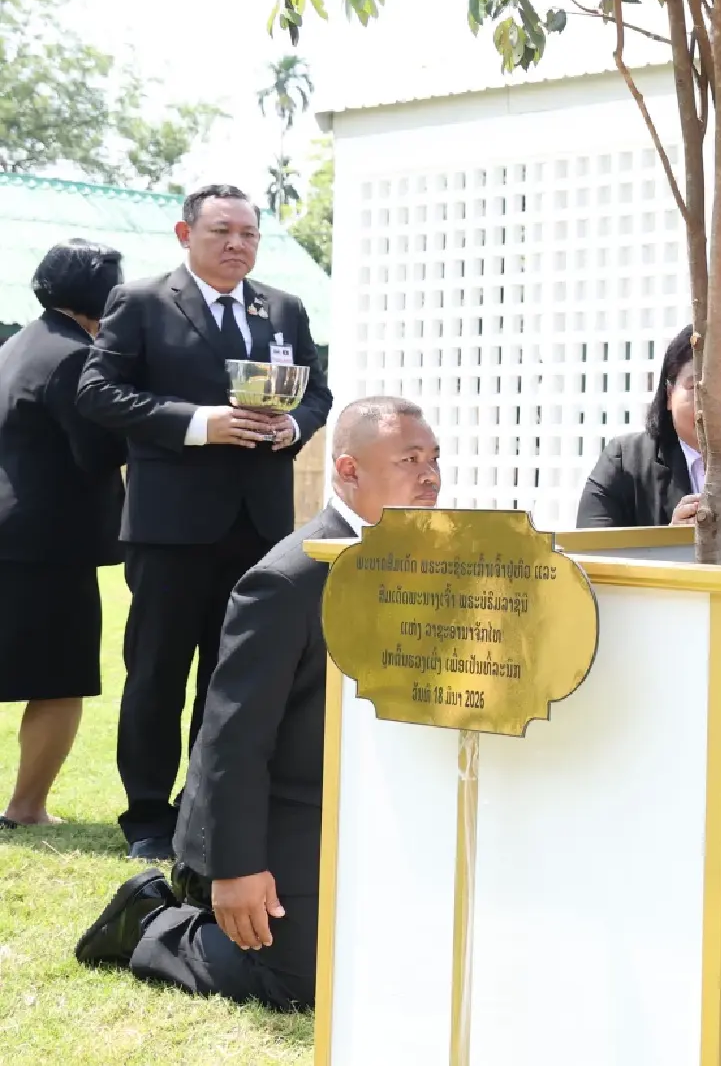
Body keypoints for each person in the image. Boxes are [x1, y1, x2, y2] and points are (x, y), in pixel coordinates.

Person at [74, 397, 440, 1008]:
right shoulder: (289, 578)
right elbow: (230, 736)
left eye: (434, 459)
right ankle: (152, 922)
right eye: (409, 459)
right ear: (348, 471)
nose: (429, 475)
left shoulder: (430, 559)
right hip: (273, 817)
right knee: (306, 981)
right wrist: (236, 867)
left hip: (361, 805)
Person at [75, 184, 335, 861]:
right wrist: (198, 423)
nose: (237, 245)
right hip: (171, 524)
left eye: (249, 234)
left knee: (236, 672)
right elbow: (98, 392)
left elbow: (320, 393)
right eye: (222, 231)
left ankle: (207, 804)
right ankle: (148, 816)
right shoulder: (141, 301)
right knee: (158, 669)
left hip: (260, 525)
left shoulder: (281, 306)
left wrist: (293, 427)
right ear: (185, 233)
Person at [0, 241, 127, 830]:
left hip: (13, 532)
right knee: (58, 679)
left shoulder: (15, 347)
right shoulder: (75, 357)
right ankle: (27, 808)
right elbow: (96, 451)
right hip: (46, 545)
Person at [574, 323, 721, 529]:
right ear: (669, 395)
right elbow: (591, 553)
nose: (713, 405)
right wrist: (671, 544)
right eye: (697, 389)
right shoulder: (625, 461)